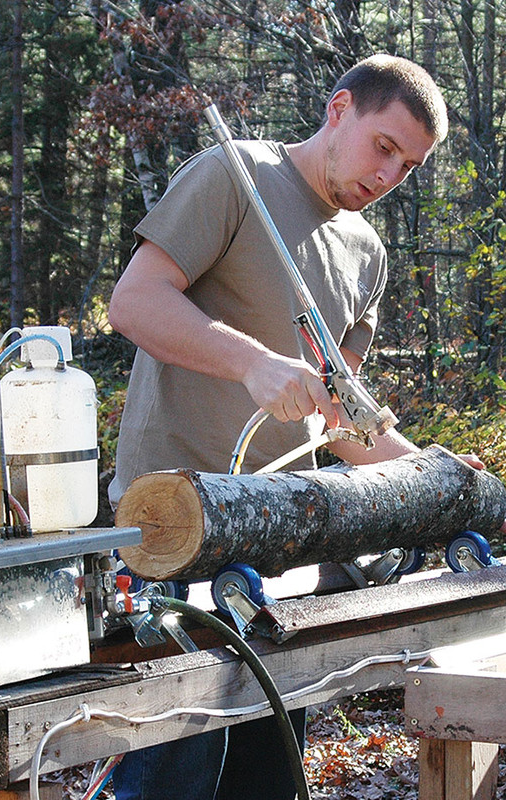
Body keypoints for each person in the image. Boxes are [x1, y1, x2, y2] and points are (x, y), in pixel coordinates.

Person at [107, 54, 459, 800]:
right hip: (172, 539)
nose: (389, 174)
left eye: (409, 165)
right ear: (339, 110)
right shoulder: (235, 176)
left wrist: (439, 480)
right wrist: (252, 363)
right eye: (383, 146)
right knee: (175, 779)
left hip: (280, 560)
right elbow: (134, 303)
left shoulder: (368, 254)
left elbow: (343, 423)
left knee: (268, 782)